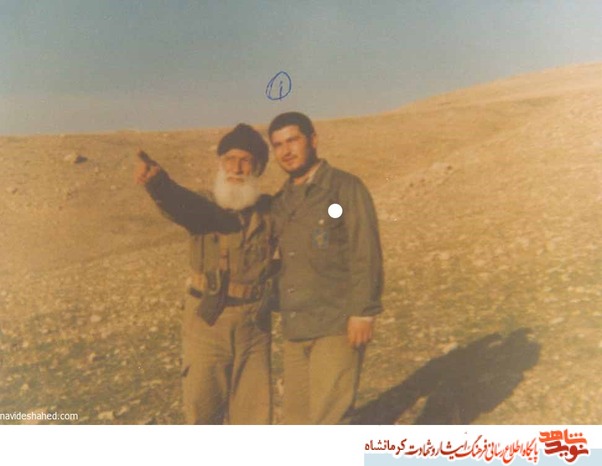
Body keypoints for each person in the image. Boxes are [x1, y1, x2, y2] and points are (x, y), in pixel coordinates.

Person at [135, 123, 276, 424]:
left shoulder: (269, 213)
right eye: (229, 159)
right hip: (208, 322)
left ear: (259, 167)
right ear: (220, 164)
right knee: (203, 414)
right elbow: (181, 204)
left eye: (245, 161)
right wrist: (159, 185)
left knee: (255, 419)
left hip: (255, 328)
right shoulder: (204, 206)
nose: (236, 168)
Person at [268, 111, 384, 424]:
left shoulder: (344, 188)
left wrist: (364, 312)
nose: (286, 151)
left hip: (336, 323)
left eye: (293, 140)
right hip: (296, 328)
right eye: (278, 145)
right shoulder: (281, 201)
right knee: (297, 422)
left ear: (313, 140)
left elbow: (365, 251)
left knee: (329, 420)